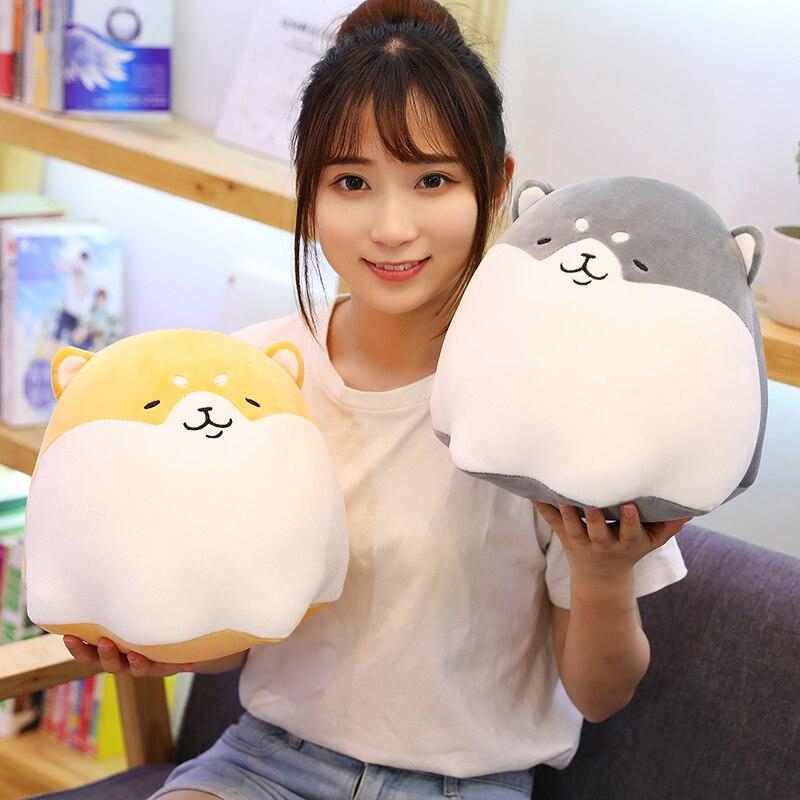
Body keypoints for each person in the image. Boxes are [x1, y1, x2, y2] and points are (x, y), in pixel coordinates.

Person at [63, 2, 693, 798]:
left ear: (497, 183)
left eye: (433, 180)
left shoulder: (561, 401)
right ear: (310, 191)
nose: (392, 227)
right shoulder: (251, 377)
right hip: (263, 763)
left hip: (466, 786)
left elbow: (601, 695)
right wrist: (161, 645)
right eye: (352, 182)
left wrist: (602, 574)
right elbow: (239, 642)